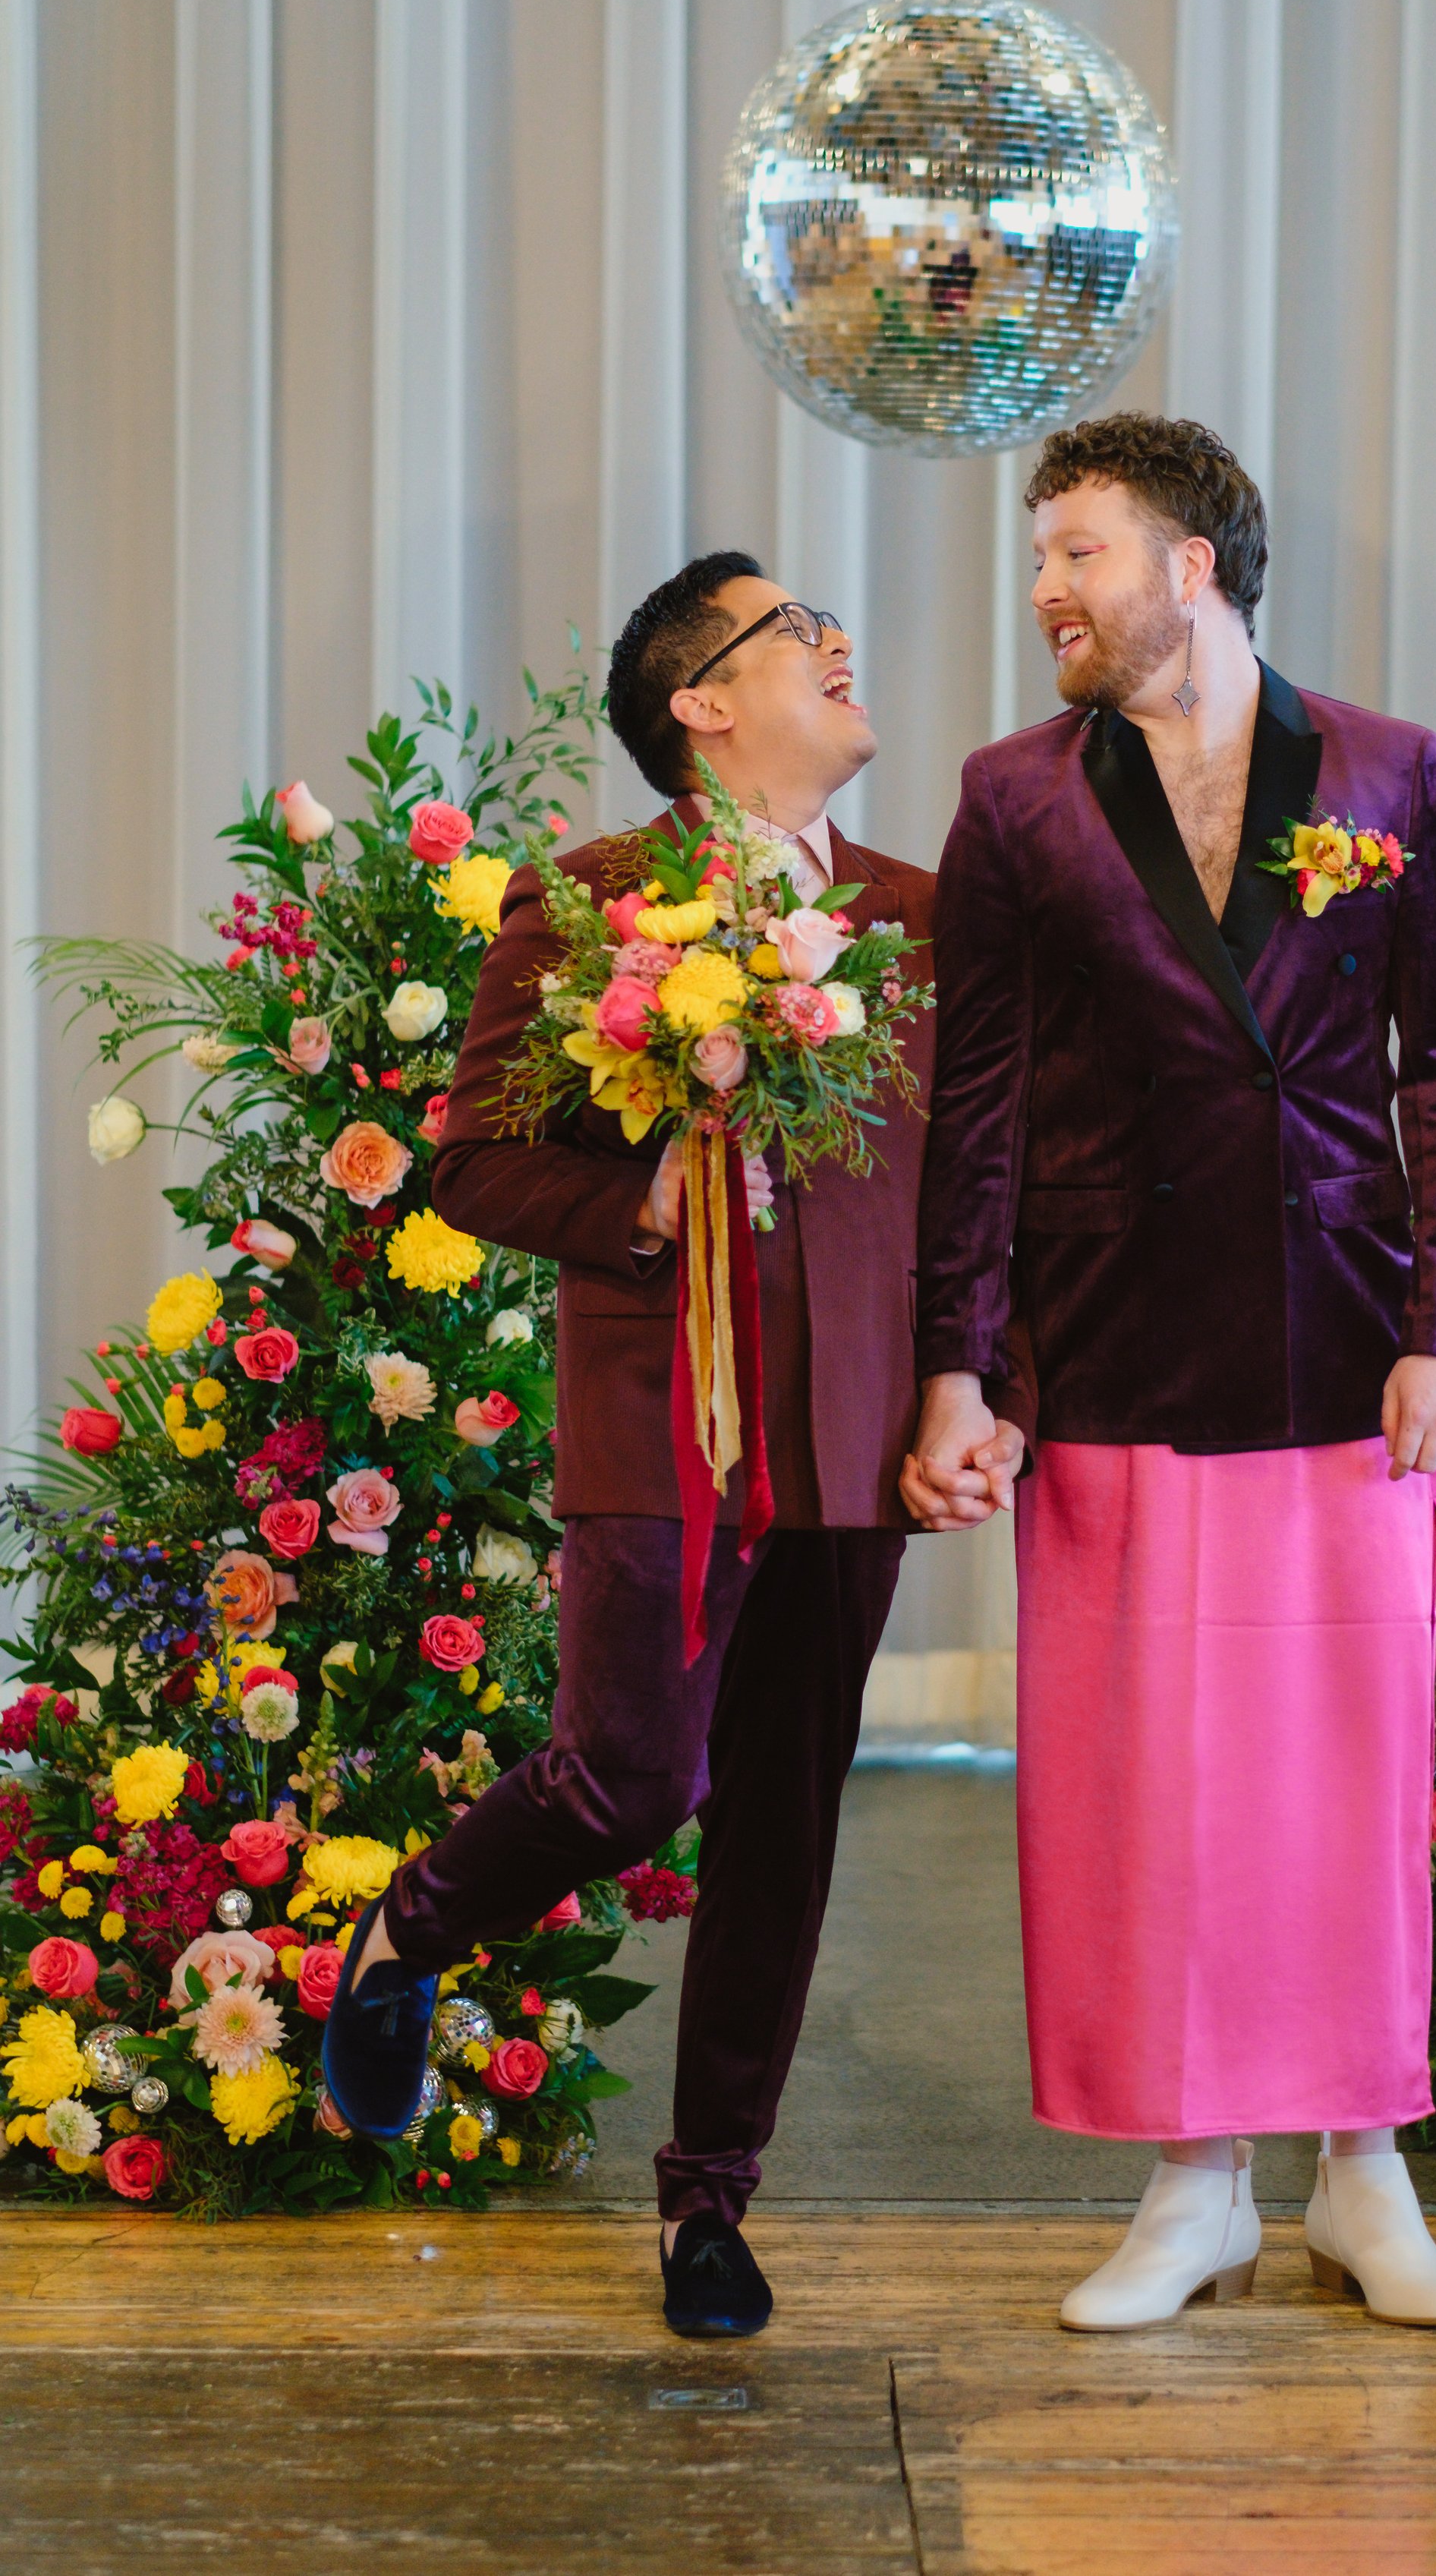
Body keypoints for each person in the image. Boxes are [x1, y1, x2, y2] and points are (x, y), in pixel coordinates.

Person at [323, 554, 991, 2338]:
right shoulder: (588, 901)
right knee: (630, 1776)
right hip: (659, 1418)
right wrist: (649, 1205)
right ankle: (409, 1932)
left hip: (850, 1439)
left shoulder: (924, 919)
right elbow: (471, 1162)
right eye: (797, 630)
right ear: (698, 702)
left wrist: (967, 1383)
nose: (841, 643)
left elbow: (968, 1201)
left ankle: (711, 2204)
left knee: (780, 1818)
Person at [903, 414, 1436, 2332]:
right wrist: (957, 1370)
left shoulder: (1392, 769)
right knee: (1139, 1776)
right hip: (1106, 1345)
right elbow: (972, 1110)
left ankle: (1361, 2173)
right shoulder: (1012, 796)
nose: (1044, 590)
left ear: (1189, 568)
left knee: (1340, 1765)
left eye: (1075, 550)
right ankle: (1191, 2184)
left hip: (1343, 1334)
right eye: (1038, 554)